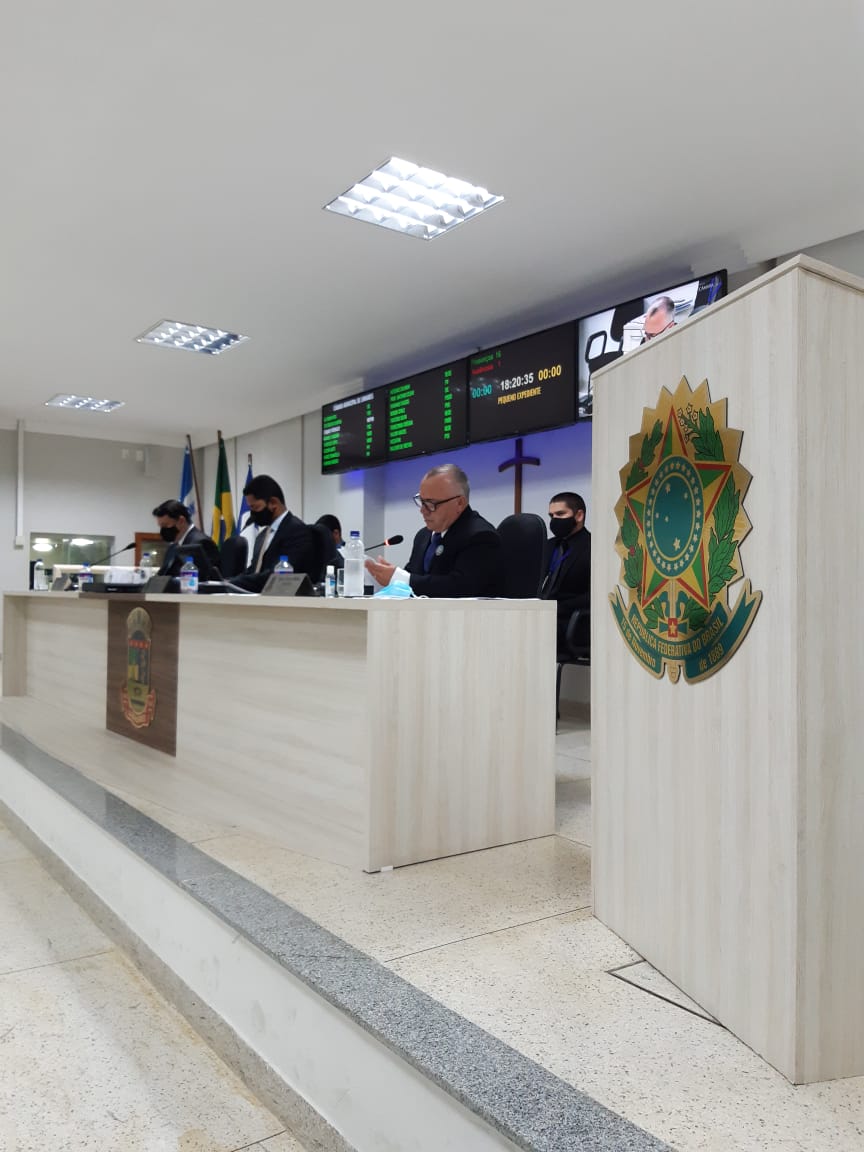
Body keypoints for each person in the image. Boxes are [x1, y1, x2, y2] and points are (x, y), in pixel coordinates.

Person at [366, 463, 499, 597]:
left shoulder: (481, 536)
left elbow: (461, 588)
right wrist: (391, 577)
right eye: (421, 501)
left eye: (431, 503)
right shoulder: (423, 536)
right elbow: (414, 577)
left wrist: (402, 579)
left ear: (459, 503)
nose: (422, 510)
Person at [233, 475, 315, 592]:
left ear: (273, 503)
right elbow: (254, 571)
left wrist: (235, 583)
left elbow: (278, 577)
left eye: (255, 507)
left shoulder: (296, 531)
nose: (252, 514)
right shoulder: (262, 536)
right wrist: (227, 582)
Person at [539, 491, 591, 650]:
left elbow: (594, 596)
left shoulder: (593, 547)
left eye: (560, 514)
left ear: (579, 515)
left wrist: (556, 607)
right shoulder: (548, 546)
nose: (554, 520)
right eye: (551, 516)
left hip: (571, 622)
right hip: (541, 617)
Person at [152, 500, 220, 578]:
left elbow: (206, 579)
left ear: (181, 521)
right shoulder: (173, 547)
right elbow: (163, 574)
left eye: (166, 525)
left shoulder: (201, 543)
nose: (163, 530)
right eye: (161, 527)